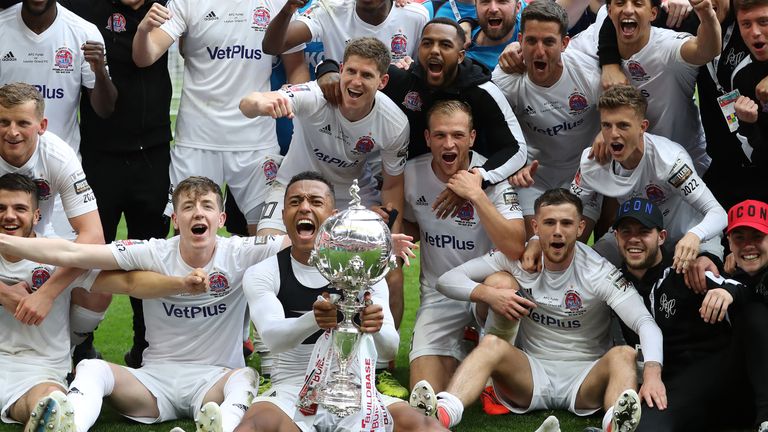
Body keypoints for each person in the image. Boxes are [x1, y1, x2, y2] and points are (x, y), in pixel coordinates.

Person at [0, 176, 292, 432]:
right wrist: (5, 241)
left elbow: (301, 243)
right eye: (188, 207)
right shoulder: (153, 251)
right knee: (91, 367)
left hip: (215, 381)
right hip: (154, 384)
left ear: (221, 219)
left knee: (246, 377)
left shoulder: (240, 251)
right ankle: (68, 424)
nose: (198, 213)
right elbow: (73, 253)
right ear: (175, 219)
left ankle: (221, 428)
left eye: (207, 206)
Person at [410, 188, 664, 432]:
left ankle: (614, 424)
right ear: (535, 227)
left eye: (566, 223)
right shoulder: (517, 259)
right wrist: (490, 295)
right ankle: (444, 412)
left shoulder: (599, 271)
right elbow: (447, 280)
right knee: (491, 344)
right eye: (549, 223)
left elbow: (644, 322)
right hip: (530, 376)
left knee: (624, 354)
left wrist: (652, 372)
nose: (557, 232)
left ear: (580, 228)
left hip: (586, 379)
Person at [235, 170, 445, 432]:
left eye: (315, 201)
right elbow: (273, 338)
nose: (304, 208)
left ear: (334, 217)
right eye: (295, 202)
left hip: (357, 389)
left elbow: (390, 349)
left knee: (424, 426)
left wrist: (375, 327)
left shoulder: (366, 270)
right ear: (283, 215)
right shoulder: (264, 272)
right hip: (292, 388)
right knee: (253, 426)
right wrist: (314, 319)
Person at [59, 0, 173, 369]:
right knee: (88, 256)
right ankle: (79, 347)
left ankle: (146, 347)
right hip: (99, 155)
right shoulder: (84, 7)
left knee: (151, 256)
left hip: (153, 154)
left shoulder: (166, 6)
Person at [132, 0, 308, 236]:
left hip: (256, 143)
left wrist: (295, 98)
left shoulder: (279, 4)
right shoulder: (187, 2)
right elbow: (145, 57)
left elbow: (296, 67)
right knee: (190, 237)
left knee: (267, 238)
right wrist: (143, 31)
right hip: (198, 140)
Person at [403, 100, 525, 392]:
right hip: (439, 296)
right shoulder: (411, 174)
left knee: (503, 284)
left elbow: (515, 246)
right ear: (427, 138)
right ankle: (464, 351)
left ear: (471, 138)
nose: (449, 144)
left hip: (487, 296)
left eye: (458, 135)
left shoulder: (492, 175)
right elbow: (410, 225)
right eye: (440, 135)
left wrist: (476, 194)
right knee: (425, 392)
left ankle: (492, 369)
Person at [240, 37, 407, 238]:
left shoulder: (394, 123)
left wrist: (393, 238)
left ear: (382, 81)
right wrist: (261, 104)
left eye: (366, 75)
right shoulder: (315, 96)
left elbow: (393, 185)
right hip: (293, 186)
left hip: (352, 194)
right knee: (270, 243)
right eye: (351, 71)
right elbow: (247, 103)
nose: (356, 82)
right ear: (341, 69)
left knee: (369, 250)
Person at [612, 197, 751, 431]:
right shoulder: (612, 282)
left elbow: (746, 291)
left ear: (661, 237)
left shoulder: (685, 271)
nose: (634, 239)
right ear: (616, 236)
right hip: (660, 377)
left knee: (649, 426)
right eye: (626, 231)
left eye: (644, 231)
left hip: (706, 371)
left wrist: (728, 292)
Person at [568, 85, 727, 284]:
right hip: (636, 237)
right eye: (607, 126)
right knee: (584, 269)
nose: (613, 134)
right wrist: (537, 240)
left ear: (642, 127)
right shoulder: (592, 161)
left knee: (702, 278)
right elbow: (567, 209)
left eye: (623, 125)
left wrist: (695, 236)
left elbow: (718, 213)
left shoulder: (670, 161)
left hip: (686, 238)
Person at [0, 83, 107, 363]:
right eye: (4, 122)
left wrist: (46, 293)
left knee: (99, 281)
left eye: (23, 123)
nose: (12, 132)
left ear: (42, 126)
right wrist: (4, 293)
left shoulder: (58, 155)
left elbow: (93, 235)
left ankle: (71, 346)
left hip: (39, 242)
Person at [567, 0, 721, 176]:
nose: (628, 10)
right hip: (629, 170)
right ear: (609, 12)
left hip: (684, 167)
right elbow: (555, 50)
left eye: (638, 4)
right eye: (620, 3)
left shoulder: (667, 49)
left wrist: (707, 14)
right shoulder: (591, 44)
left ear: (653, 13)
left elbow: (706, 50)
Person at [492, 0, 602, 238]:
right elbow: (494, 135)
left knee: (571, 246)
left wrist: (604, 133)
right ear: (520, 40)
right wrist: (514, 165)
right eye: (531, 41)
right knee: (536, 243)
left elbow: (620, 110)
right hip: (532, 176)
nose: (539, 51)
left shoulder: (588, 74)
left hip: (583, 175)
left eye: (549, 42)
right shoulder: (505, 80)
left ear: (564, 43)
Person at [262, 0, 429, 64]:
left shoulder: (416, 16)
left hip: (394, 119)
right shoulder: (329, 10)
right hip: (341, 117)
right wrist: (287, 10)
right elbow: (272, 47)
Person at [724, 199, 768, 432]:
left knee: (755, 314)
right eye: (740, 238)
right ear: (729, 243)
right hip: (737, 399)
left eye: (757, 236)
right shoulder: (726, 277)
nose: (749, 245)